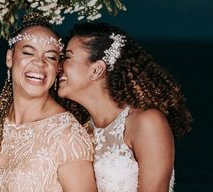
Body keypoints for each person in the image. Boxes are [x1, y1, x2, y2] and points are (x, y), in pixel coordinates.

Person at [0, 13, 96, 192]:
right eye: (28, 52)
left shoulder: (66, 135)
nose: (39, 63)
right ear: (9, 58)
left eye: (51, 57)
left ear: (57, 67)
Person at [57, 22, 192, 192]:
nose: (58, 66)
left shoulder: (146, 122)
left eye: (67, 57)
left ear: (96, 69)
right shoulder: (79, 131)